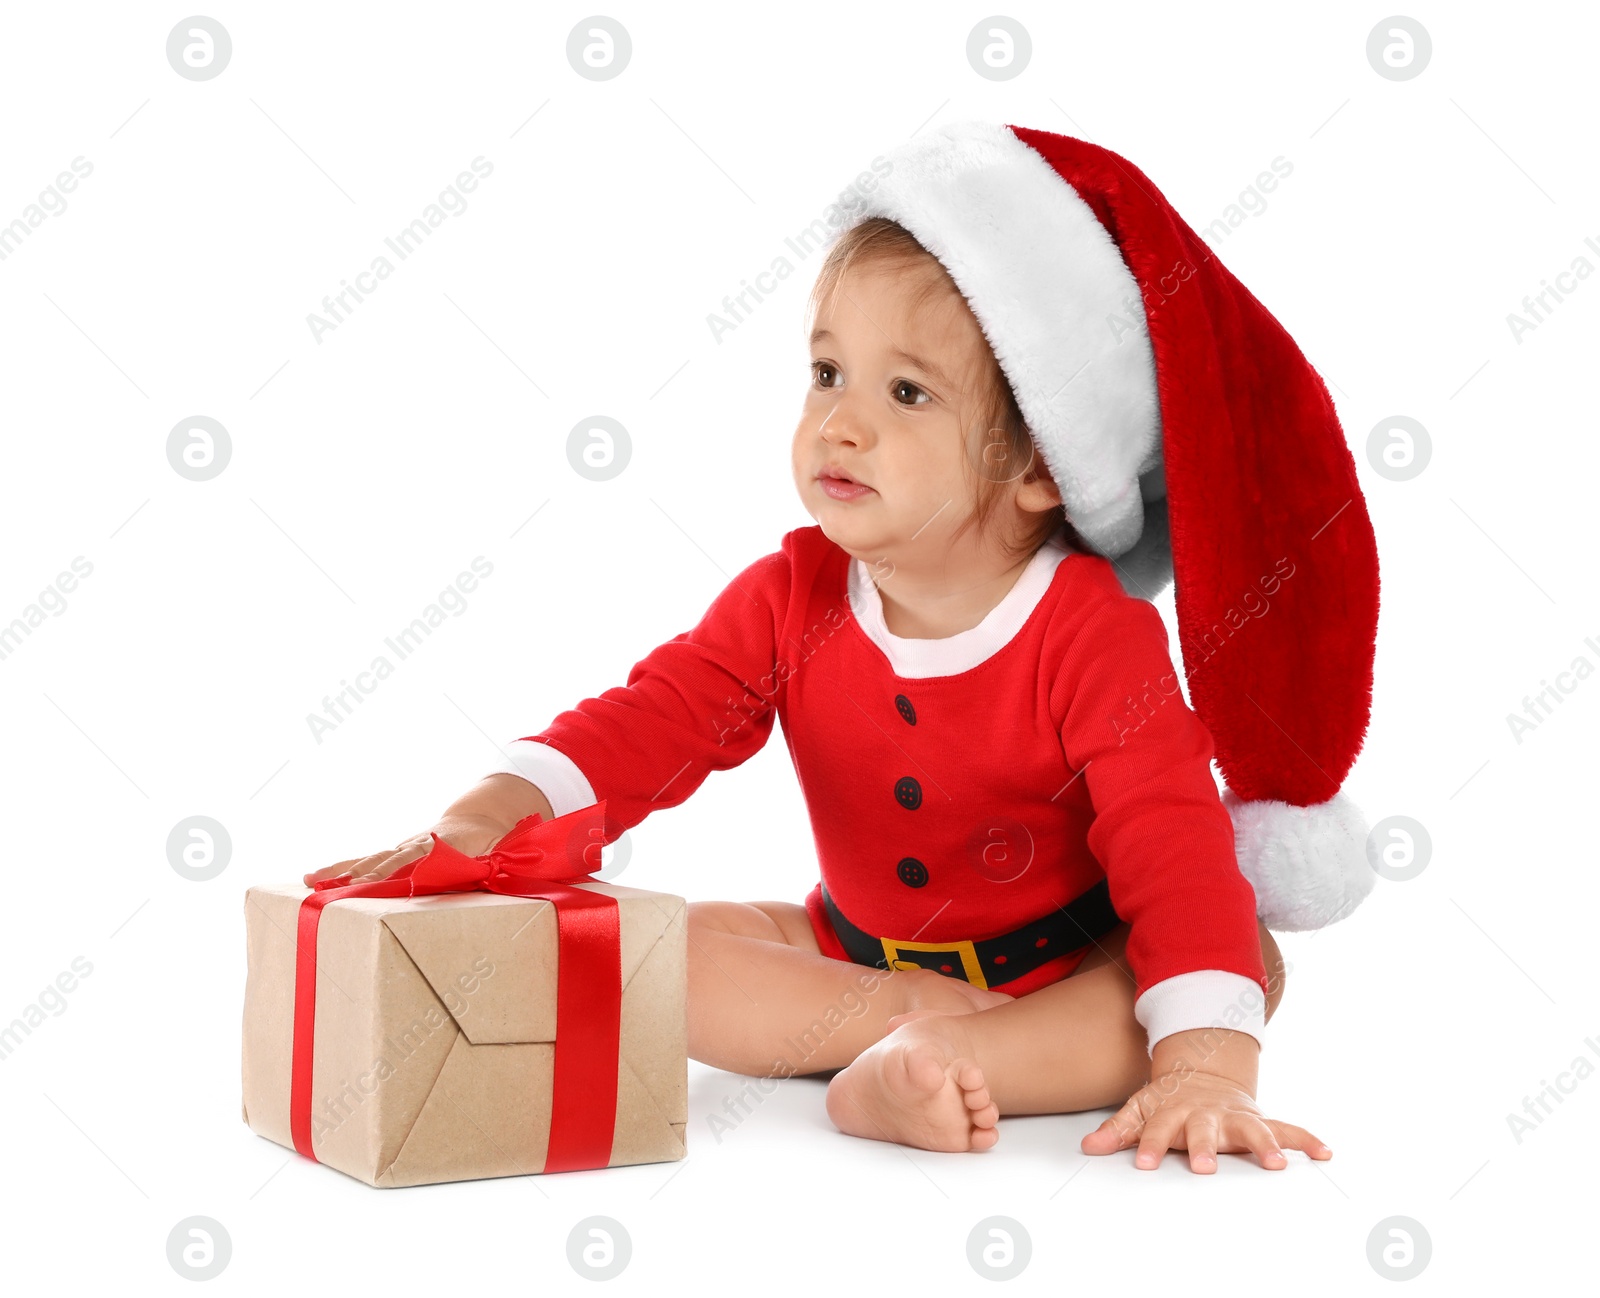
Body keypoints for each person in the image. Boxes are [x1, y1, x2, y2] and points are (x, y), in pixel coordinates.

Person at [306, 122, 1380, 1174]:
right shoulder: (793, 594)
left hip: (1064, 964)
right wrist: (494, 811)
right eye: (827, 373)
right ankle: (911, 1028)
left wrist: (1202, 1064)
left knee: (1235, 970)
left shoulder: (1093, 634)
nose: (841, 424)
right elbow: (658, 716)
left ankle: (946, 1054)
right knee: (646, 951)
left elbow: (1173, 844)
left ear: (1041, 469)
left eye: (905, 392)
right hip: (847, 949)